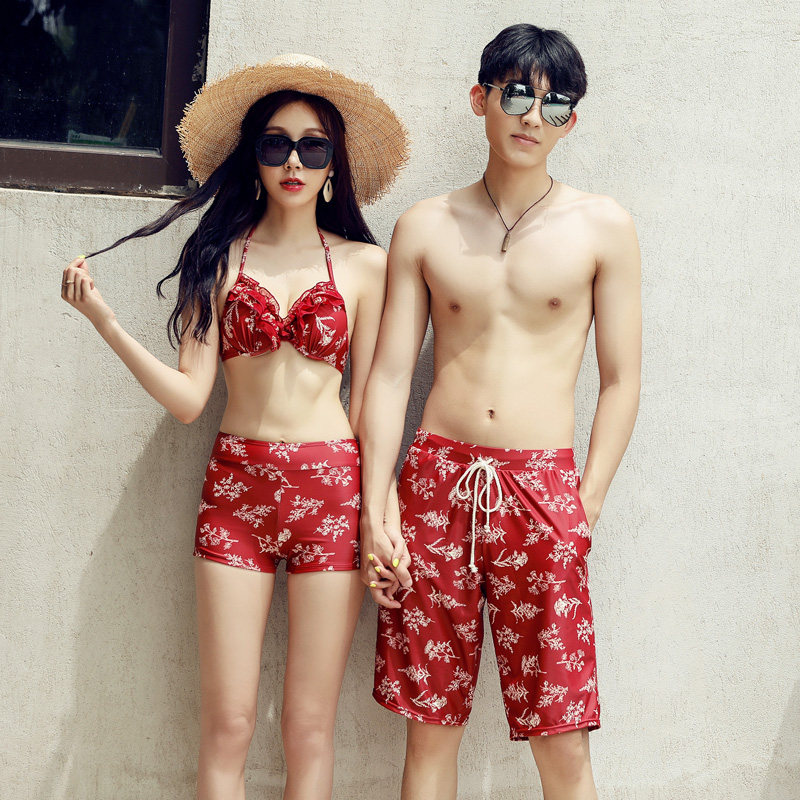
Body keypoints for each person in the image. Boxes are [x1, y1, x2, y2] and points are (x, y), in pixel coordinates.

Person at [60, 54, 408, 800]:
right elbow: (190, 399)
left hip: (331, 489)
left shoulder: (368, 267)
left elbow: (371, 407)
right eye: (276, 143)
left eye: (312, 146)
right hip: (235, 491)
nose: (293, 161)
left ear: (334, 164)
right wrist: (106, 322)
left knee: (309, 728)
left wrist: (384, 519)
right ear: (254, 156)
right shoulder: (218, 259)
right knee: (228, 725)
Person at [358, 24, 641, 800]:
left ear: (572, 122)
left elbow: (621, 381)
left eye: (555, 103)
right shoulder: (426, 225)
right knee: (429, 728)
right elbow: (389, 375)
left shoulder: (603, 227)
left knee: (562, 738)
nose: (532, 116)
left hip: (542, 490)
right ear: (479, 99)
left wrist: (584, 504)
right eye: (516, 94)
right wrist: (378, 507)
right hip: (435, 484)